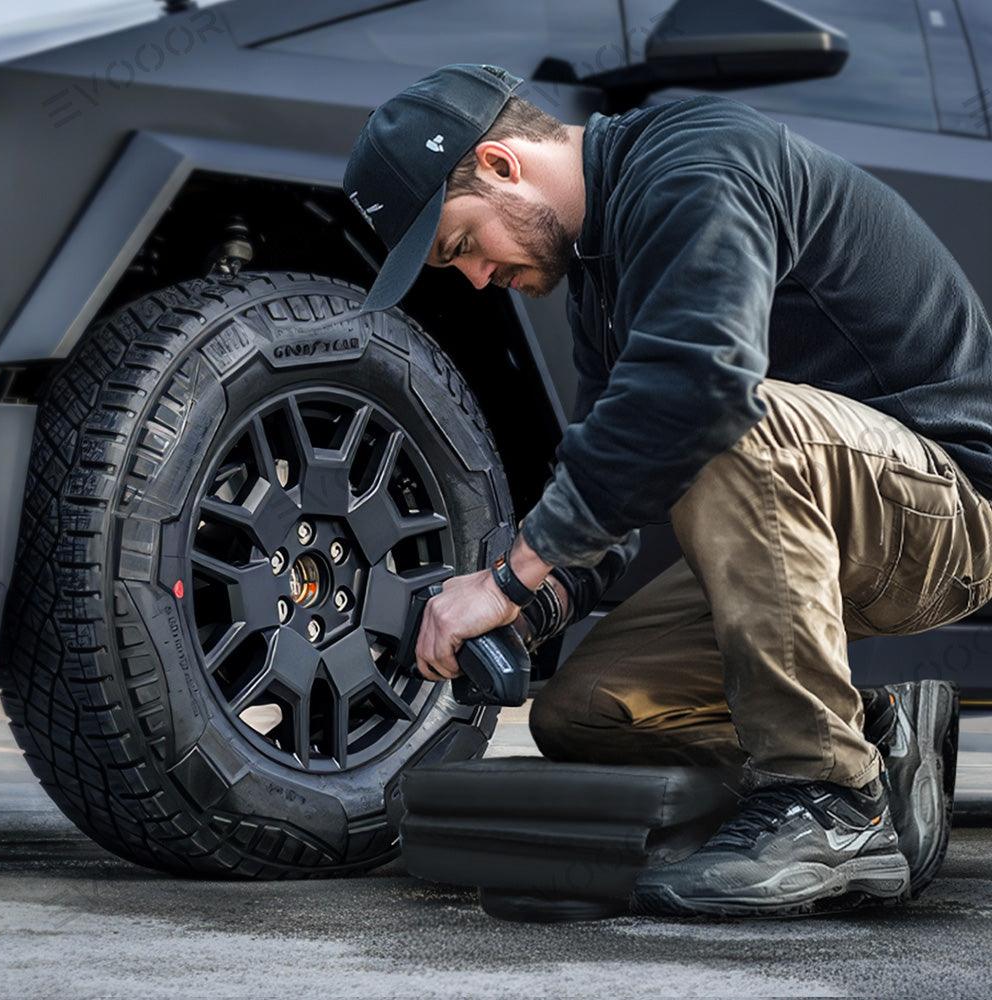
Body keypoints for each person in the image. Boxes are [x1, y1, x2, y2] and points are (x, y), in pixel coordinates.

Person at [342, 63, 988, 917]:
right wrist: (527, 610)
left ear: (500, 166)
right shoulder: (603, 272)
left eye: (461, 245)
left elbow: (698, 392)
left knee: (713, 417)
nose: (470, 277)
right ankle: (875, 742)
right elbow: (612, 488)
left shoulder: (696, 162)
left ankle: (827, 805)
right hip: (806, 514)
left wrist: (508, 577)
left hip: (946, 511)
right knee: (585, 713)